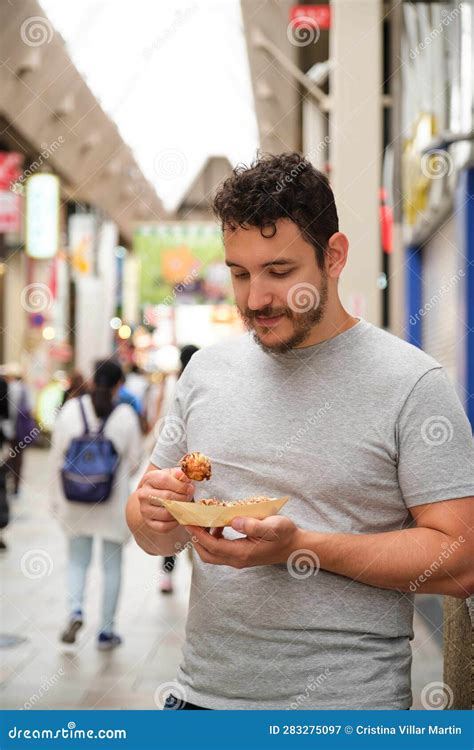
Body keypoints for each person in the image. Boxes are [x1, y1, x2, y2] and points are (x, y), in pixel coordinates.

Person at [126, 153, 474, 710]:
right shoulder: (205, 373)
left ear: (333, 257)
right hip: (199, 702)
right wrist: (151, 513)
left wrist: (303, 547)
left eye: (280, 272)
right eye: (240, 273)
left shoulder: (412, 384)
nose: (255, 299)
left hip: (349, 714)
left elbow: (461, 559)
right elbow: (152, 531)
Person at [51, 360, 142, 650]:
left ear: (92, 381)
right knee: (112, 566)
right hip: (112, 503)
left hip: (75, 501)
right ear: (119, 385)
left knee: (78, 560)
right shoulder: (126, 415)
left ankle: (75, 611)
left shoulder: (70, 409)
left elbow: (57, 457)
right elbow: (135, 460)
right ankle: (106, 631)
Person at [158, 345, 199, 594]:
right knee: (198, 525)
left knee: (170, 523)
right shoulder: (198, 386)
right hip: (197, 473)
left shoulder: (174, 386)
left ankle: (167, 577)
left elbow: (161, 421)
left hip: (172, 470)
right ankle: (198, 576)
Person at [2, 363, 34, 497]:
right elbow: (30, 407)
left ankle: (6, 477)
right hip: (20, 431)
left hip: (9, 429)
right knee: (18, 458)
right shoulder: (24, 389)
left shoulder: (9, 388)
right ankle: (15, 484)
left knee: (9, 455)